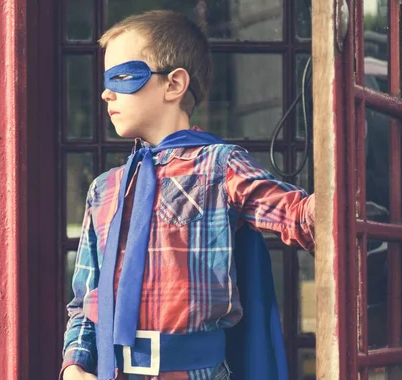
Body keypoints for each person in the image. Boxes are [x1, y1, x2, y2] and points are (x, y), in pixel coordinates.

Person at [61, 9, 315, 380]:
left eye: (123, 76)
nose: (105, 92)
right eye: (105, 79)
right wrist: (74, 365)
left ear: (174, 84)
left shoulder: (219, 166)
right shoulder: (105, 188)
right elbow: (85, 301)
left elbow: (301, 217)